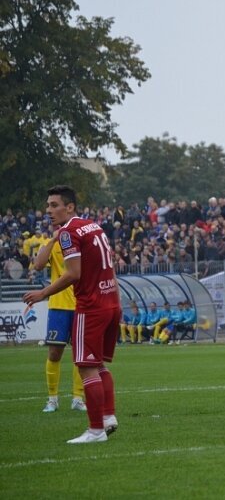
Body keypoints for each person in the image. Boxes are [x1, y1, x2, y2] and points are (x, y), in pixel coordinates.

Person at [23, 185, 122, 444]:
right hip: (110, 302)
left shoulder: (69, 232)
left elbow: (74, 273)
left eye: (54, 205)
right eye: (47, 206)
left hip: (90, 307)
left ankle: (95, 430)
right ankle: (109, 417)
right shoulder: (94, 227)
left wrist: (43, 293)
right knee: (99, 364)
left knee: (86, 367)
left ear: (70, 207)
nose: (49, 211)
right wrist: (116, 302)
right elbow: (109, 268)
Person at [32, 226, 87, 414]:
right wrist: (52, 240)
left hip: (81, 305)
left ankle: (78, 398)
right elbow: (38, 265)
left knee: (81, 355)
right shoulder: (52, 244)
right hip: (58, 306)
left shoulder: (81, 243)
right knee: (54, 353)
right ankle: (52, 399)